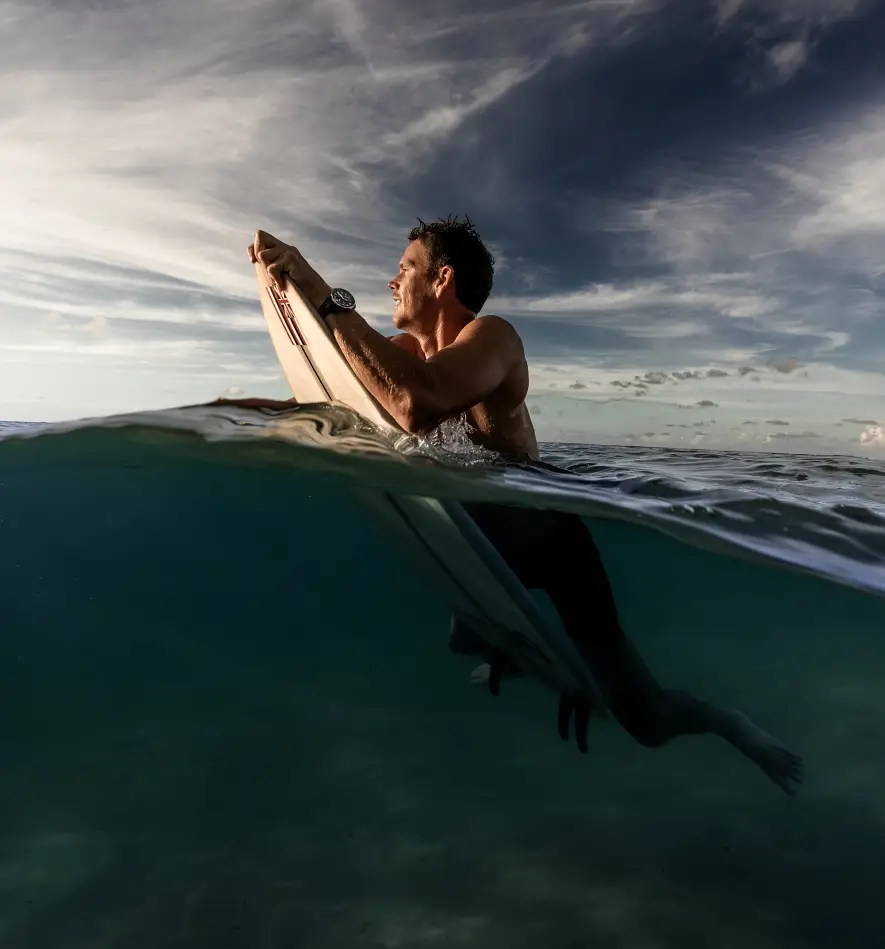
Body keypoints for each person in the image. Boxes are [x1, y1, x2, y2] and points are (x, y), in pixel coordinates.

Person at [244, 219, 804, 795]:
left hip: (549, 539)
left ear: (442, 279)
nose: (392, 280)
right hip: (483, 534)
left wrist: (322, 292)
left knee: (647, 721)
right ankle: (538, 663)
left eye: (405, 268)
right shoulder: (404, 351)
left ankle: (729, 725)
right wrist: (228, 409)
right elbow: (323, 396)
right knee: (461, 641)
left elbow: (414, 401)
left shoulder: (494, 338)